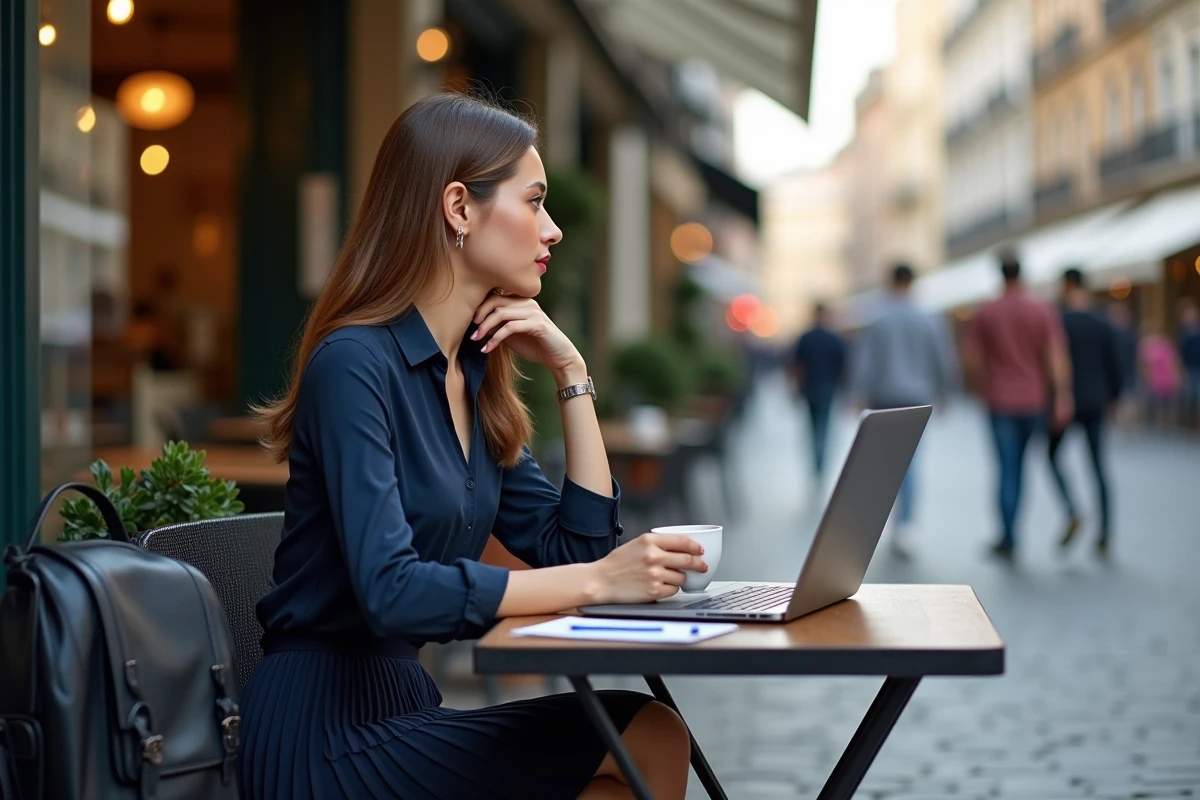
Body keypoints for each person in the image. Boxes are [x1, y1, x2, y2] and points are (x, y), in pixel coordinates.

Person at [243, 94, 699, 800]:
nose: (552, 229)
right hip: (317, 736)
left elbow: (575, 552)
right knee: (640, 736)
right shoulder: (354, 365)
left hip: (402, 706)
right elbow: (392, 590)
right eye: (534, 201)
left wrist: (572, 373)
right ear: (459, 208)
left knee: (647, 733)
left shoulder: (476, 378)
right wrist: (602, 582)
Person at [963, 253, 1072, 562]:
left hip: (999, 400)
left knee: (1005, 468)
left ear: (1000, 275)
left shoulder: (986, 311)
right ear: (1022, 274)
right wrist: (1062, 395)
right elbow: (1055, 356)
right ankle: (1013, 532)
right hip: (1033, 400)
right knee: (1021, 467)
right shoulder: (1042, 310)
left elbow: (971, 359)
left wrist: (981, 386)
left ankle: (1008, 536)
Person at [850, 263, 957, 558]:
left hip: (884, 397)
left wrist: (858, 393)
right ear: (912, 282)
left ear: (890, 281)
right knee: (910, 462)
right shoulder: (928, 319)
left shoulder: (877, 318)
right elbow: (943, 359)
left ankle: (875, 524)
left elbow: (865, 360)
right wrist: (945, 392)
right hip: (917, 398)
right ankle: (906, 526)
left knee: (883, 463)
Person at [1045, 269, 1123, 561]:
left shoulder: (1059, 322)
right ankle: (1105, 535)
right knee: (1099, 467)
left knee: (1052, 456)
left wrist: (1055, 398)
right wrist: (1114, 399)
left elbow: (1052, 363)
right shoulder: (1101, 323)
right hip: (1097, 401)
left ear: (1067, 286)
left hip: (1067, 401)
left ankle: (1072, 508)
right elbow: (1114, 365)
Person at [788, 303, 846, 487]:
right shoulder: (834, 338)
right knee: (824, 426)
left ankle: (816, 462)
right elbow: (843, 367)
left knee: (813, 427)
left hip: (810, 388)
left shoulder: (806, 338)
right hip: (828, 388)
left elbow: (796, 365)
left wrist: (795, 388)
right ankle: (820, 462)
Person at [1178, 297, 1200, 427]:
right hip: (1189, 367)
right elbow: (1182, 351)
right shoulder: (1183, 331)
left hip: (1197, 365)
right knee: (1191, 395)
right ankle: (1191, 420)